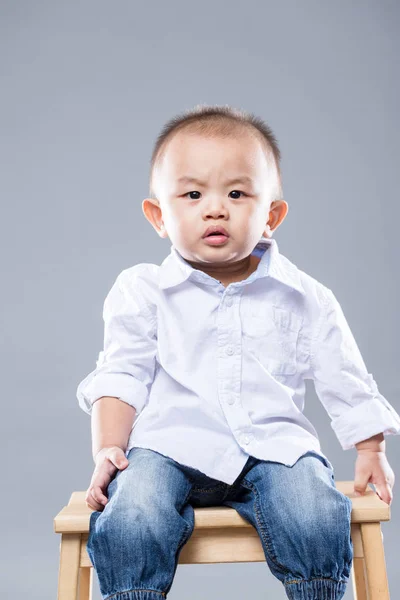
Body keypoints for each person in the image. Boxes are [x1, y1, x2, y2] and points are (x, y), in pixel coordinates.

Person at [76, 104, 400, 600]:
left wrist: (371, 446)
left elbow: (345, 374)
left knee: (313, 511)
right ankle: (131, 594)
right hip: (168, 447)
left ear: (271, 214)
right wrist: (109, 448)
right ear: (159, 216)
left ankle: (318, 591)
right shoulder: (142, 290)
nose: (215, 208)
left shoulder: (304, 297)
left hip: (273, 446)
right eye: (192, 194)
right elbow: (122, 373)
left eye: (236, 193)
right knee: (134, 512)